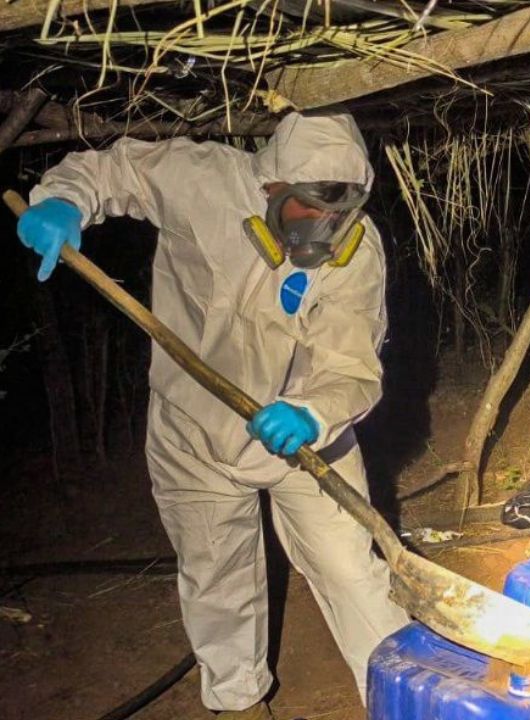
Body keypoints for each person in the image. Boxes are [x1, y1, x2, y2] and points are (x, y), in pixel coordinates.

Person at [16, 111, 410, 719]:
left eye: (340, 213)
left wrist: (311, 411)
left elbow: (353, 367)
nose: (324, 231)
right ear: (270, 186)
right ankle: (239, 704)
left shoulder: (356, 257)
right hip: (191, 433)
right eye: (308, 210)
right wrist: (66, 198)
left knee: (353, 573)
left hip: (304, 439)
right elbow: (115, 169)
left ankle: (402, 700)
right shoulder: (200, 178)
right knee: (215, 575)